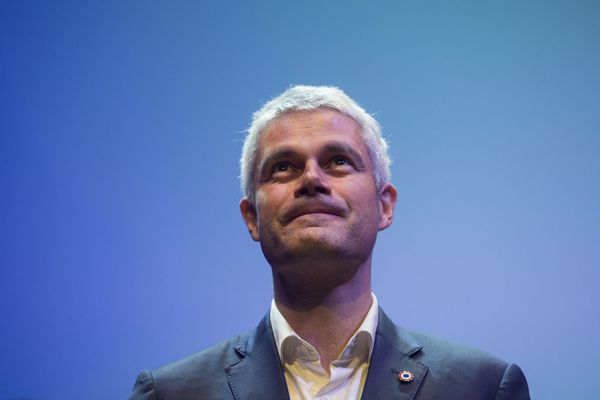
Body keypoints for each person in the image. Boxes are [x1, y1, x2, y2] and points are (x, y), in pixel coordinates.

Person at [129, 85, 530, 400]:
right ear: (251, 217)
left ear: (384, 206)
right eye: (283, 167)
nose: (311, 180)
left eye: (338, 160)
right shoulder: (170, 393)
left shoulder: (482, 388)